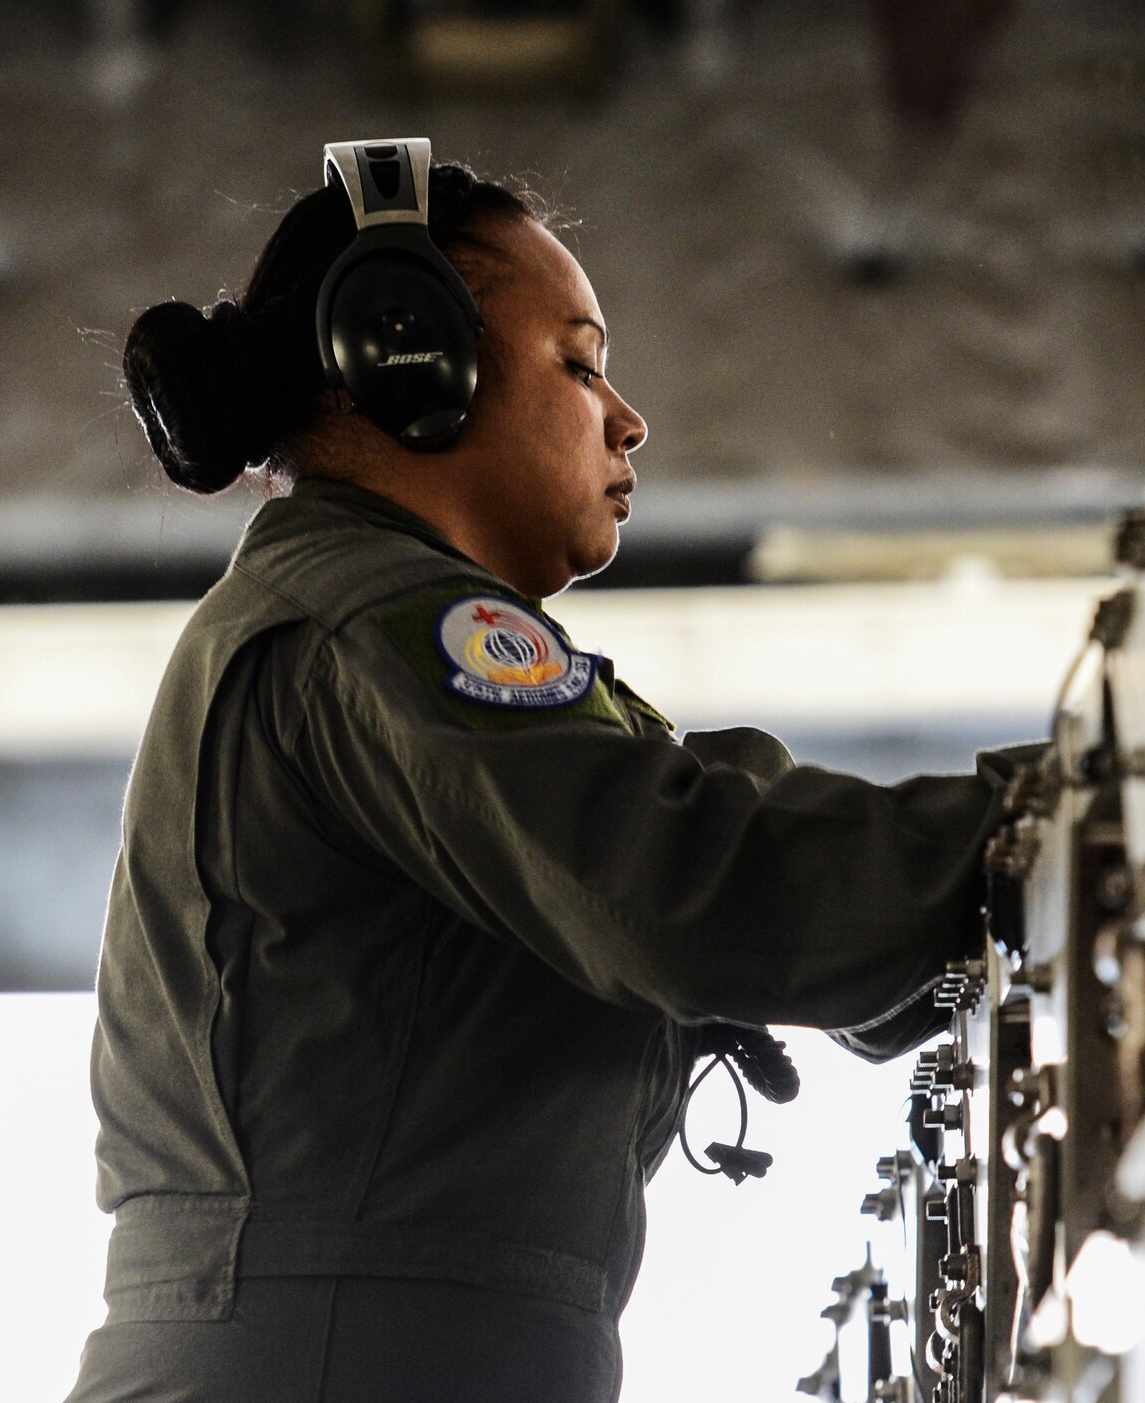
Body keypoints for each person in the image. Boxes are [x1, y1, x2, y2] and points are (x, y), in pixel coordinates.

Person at [65, 144, 1029, 1403]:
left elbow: (684, 859)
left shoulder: (363, 625)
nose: (626, 419)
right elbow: (686, 885)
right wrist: (1057, 815)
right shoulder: (376, 623)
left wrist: (893, 926)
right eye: (578, 362)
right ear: (411, 360)